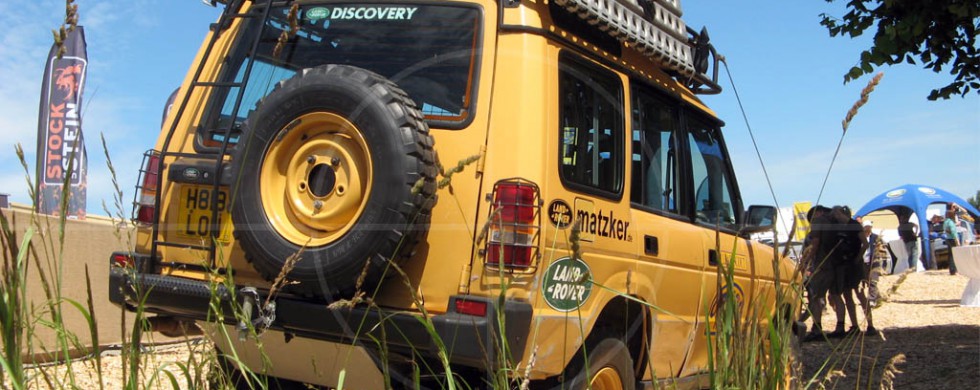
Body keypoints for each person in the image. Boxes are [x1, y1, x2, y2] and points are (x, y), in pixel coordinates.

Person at [825, 206, 864, 338]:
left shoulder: (854, 225)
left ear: (840, 213)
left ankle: (866, 324)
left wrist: (857, 259)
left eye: (836, 214)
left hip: (854, 264)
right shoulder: (838, 227)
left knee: (859, 294)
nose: (835, 216)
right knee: (847, 295)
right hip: (843, 264)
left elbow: (865, 243)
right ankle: (854, 325)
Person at [857, 220, 879, 335]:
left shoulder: (875, 238)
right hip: (862, 263)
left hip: (872, 263)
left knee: (873, 281)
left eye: (869, 227)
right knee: (862, 283)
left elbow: (880, 249)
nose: (867, 229)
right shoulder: (859, 237)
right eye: (866, 227)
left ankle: (872, 299)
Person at [944, 208, 961, 275]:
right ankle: (955, 270)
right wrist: (957, 240)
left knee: (950, 255)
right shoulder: (951, 222)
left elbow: (947, 230)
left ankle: (952, 270)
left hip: (948, 239)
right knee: (955, 255)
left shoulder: (945, 222)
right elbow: (953, 232)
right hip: (952, 239)